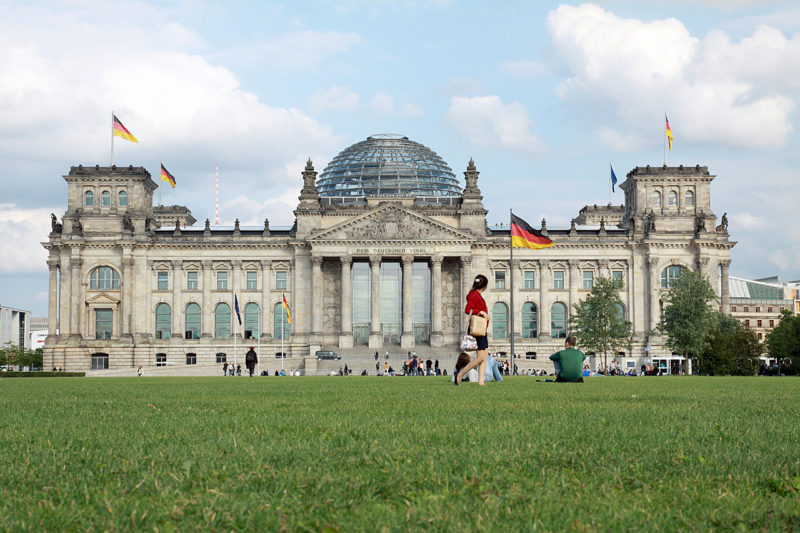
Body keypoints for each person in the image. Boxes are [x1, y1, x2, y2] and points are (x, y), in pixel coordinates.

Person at [456, 274, 490, 386]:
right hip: (477, 330)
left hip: (482, 330)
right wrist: (481, 312)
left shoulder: (477, 295)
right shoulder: (474, 295)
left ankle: (481, 382)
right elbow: (467, 310)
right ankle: (461, 374)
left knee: (485, 356)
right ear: (484, 286)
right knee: (481, 357)